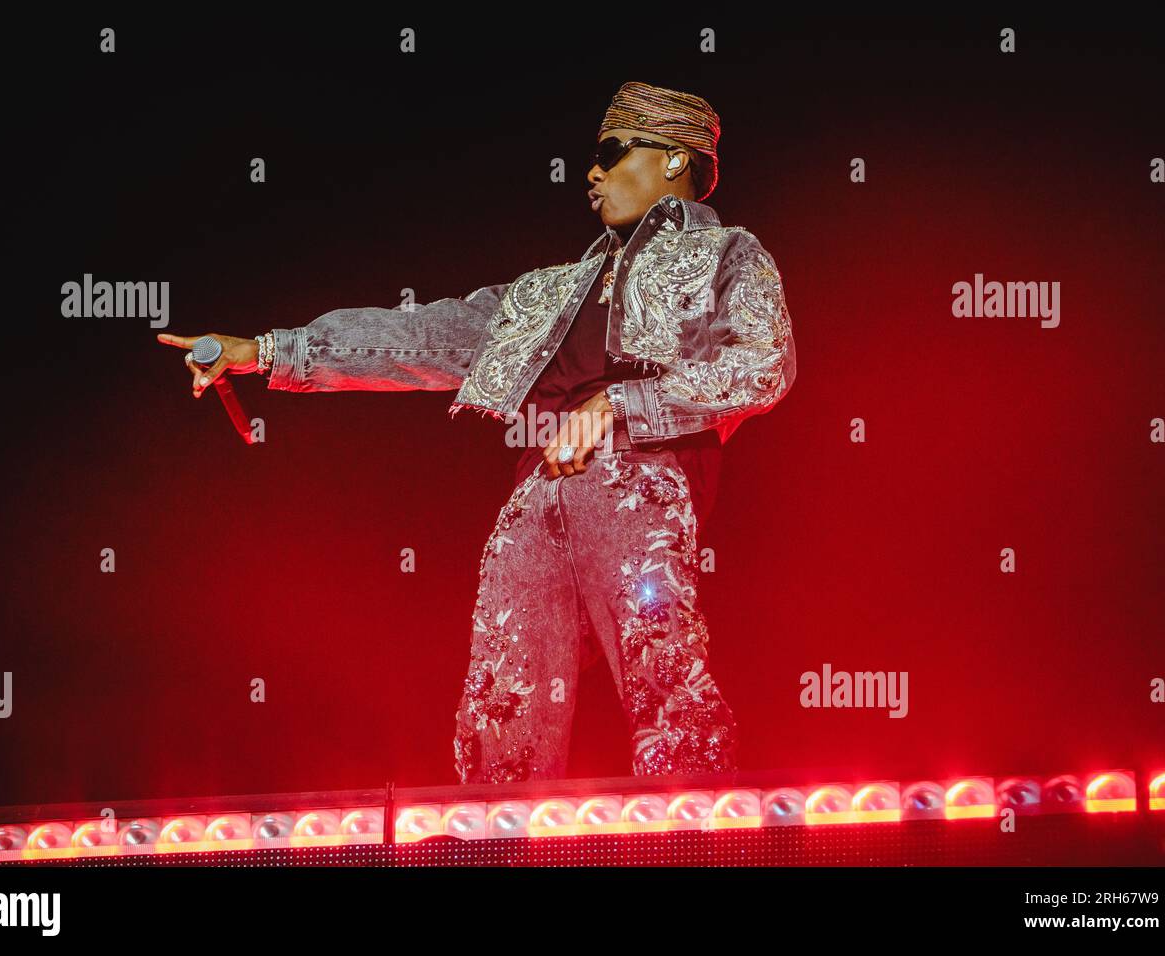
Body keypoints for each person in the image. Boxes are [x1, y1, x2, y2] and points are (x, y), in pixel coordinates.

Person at [158, 81, 797, 784]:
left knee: (661, 663)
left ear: (675, 159)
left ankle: (696, 827)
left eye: (612, 153)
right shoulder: (545, 292)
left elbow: (761, 366)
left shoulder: (726, 253)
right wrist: (269, 350)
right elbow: (423, 334)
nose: (592, 172)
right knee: (504, 696)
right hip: (534, 499)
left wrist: (623, 404)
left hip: (637, 486)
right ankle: (499, 840)